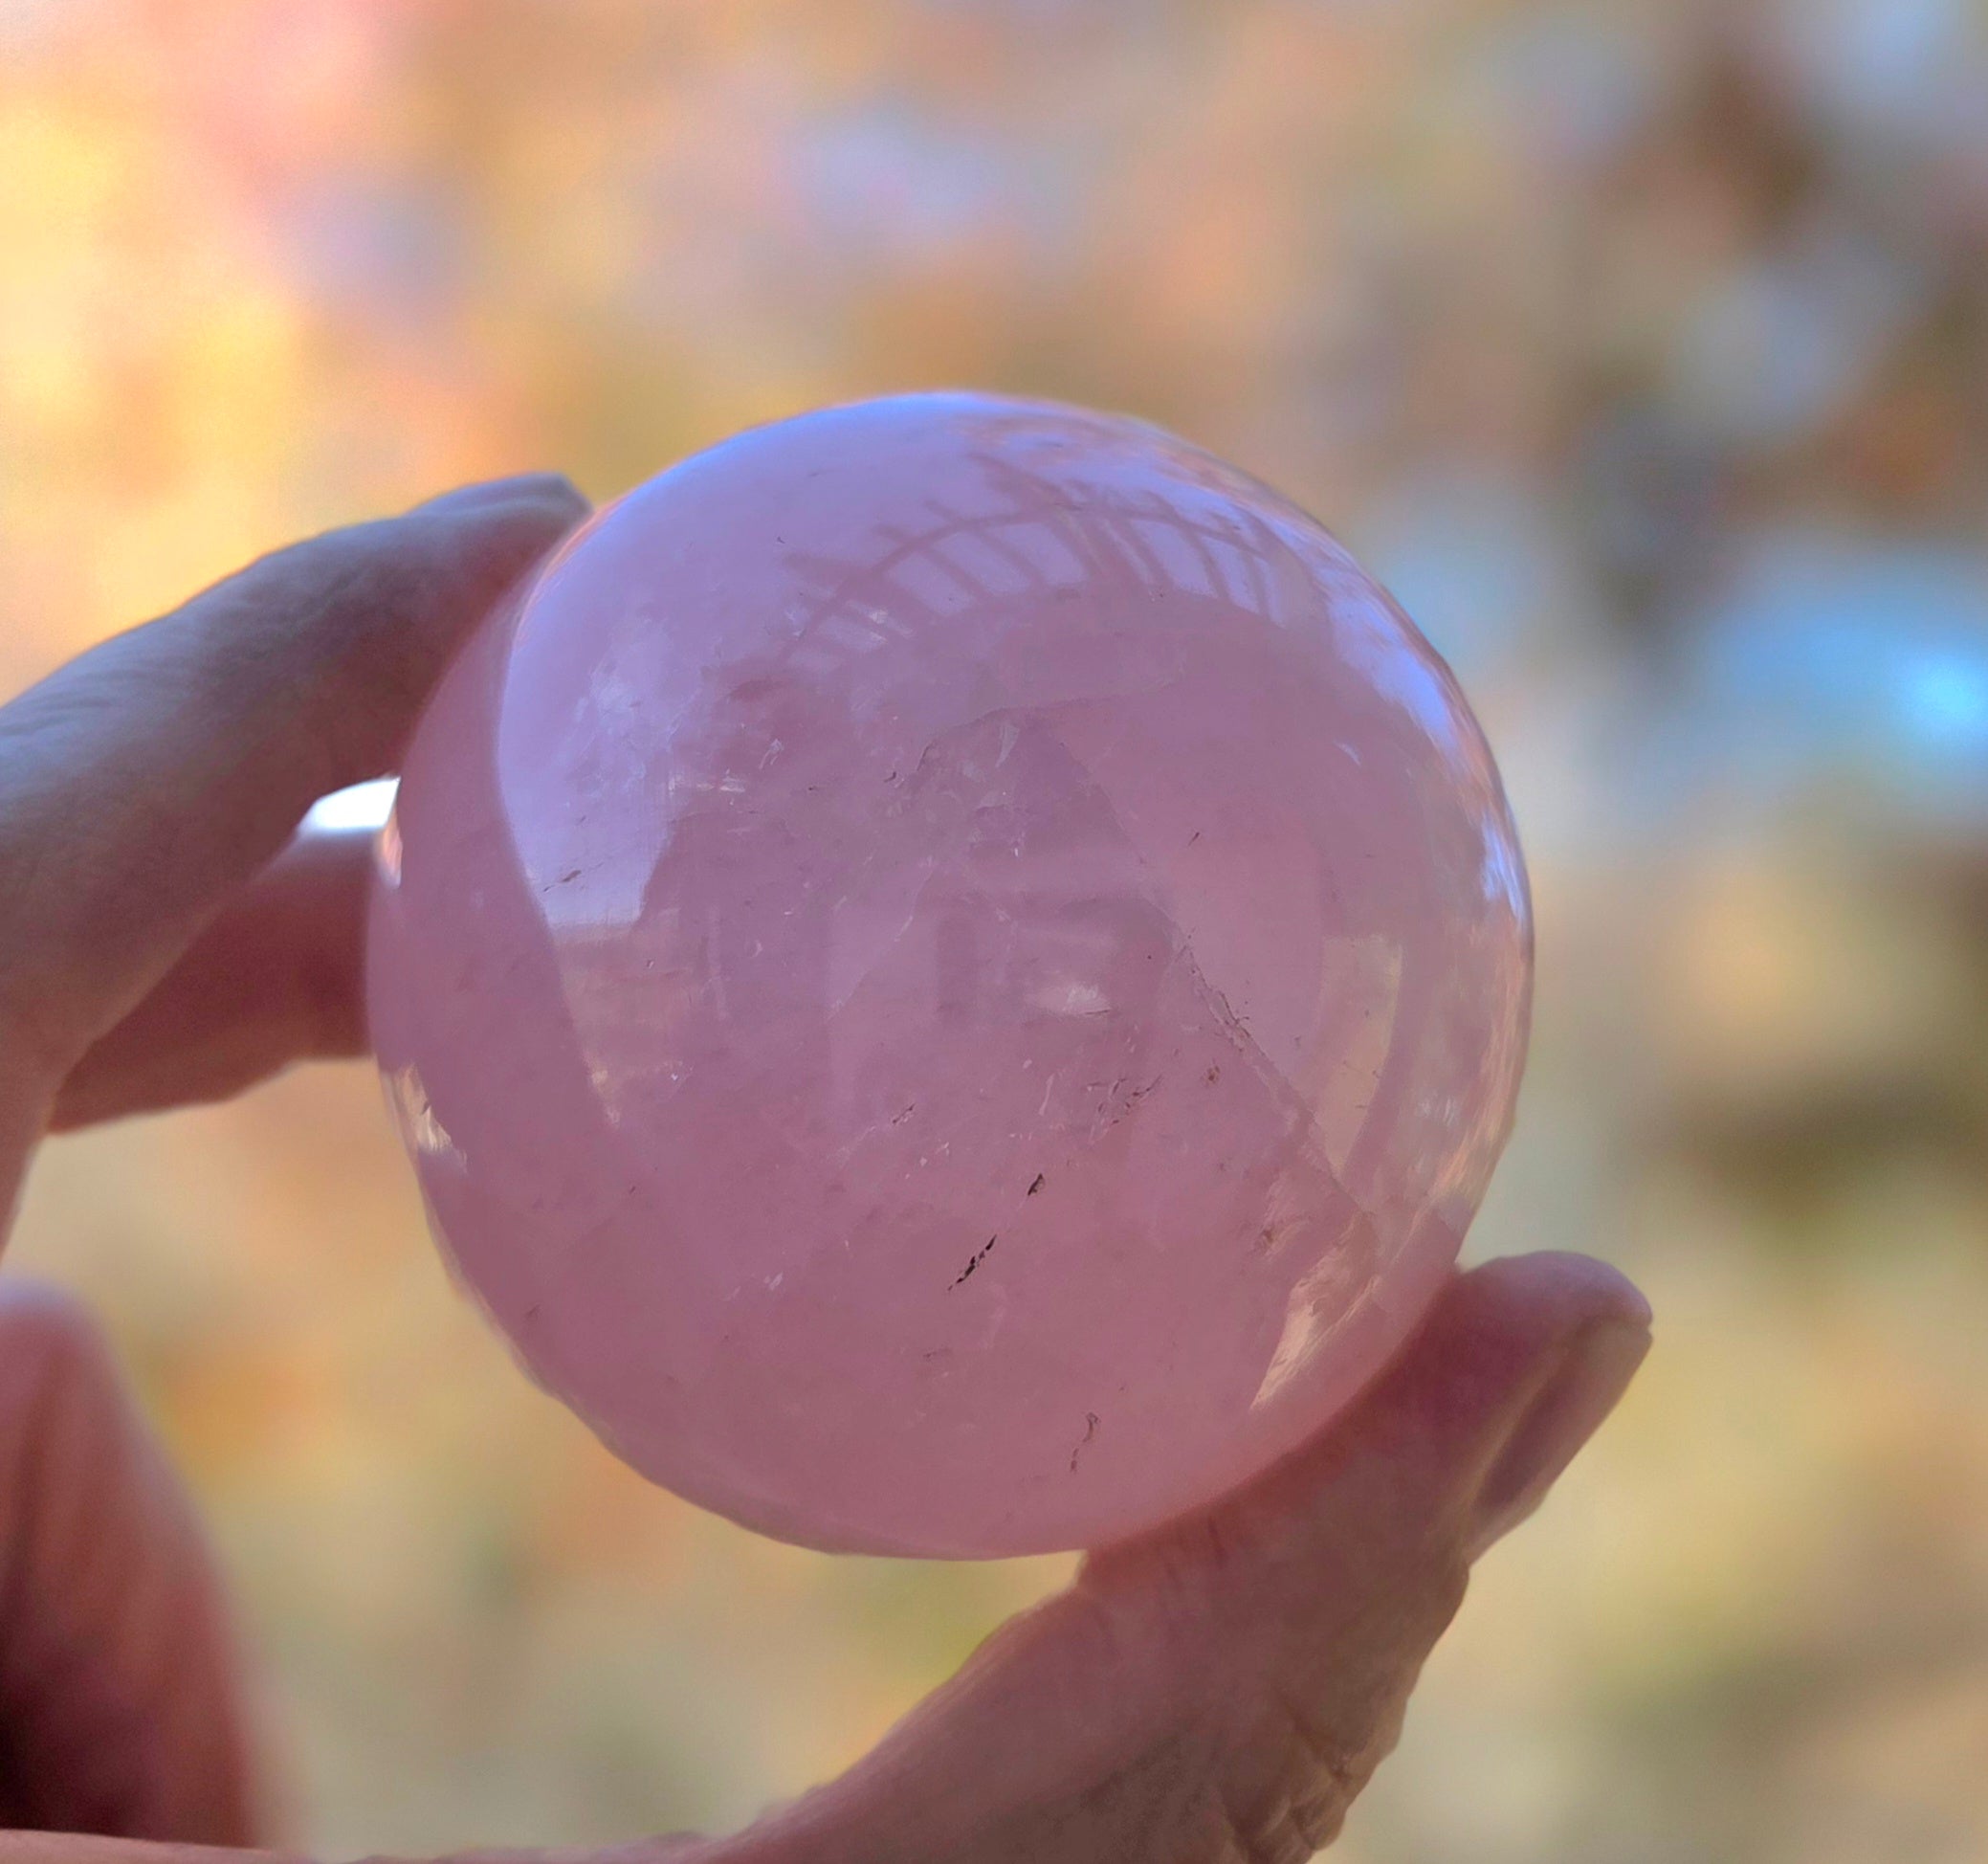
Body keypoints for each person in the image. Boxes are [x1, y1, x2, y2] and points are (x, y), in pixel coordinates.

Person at [0, 477, 1650, 1864]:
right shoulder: (705, 1125)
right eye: (993, 919)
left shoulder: (1198, 1236)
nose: (1051, 979)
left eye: (1104, 928)